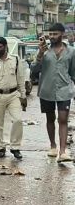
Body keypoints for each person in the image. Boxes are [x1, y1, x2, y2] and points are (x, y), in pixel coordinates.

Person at [36, 23, 75, 162]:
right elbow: (35, 70)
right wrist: (40, 53)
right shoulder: (44, 51)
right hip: (46, 90)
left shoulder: (71, 51)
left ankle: (63, 151)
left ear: (62, 34)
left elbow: (73, 72)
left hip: (64, 90)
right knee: (50, 118)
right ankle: (53, 146)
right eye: (50, 34)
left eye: (55, 34)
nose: (52, 37)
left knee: (63, 119)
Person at [0, 36, 27, 160]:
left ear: (5, 46)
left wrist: (23, 96)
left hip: (14, 95)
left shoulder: (15, 59)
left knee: (18, 120)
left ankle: (15, 147)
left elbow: (21, 79)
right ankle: (1, 148)